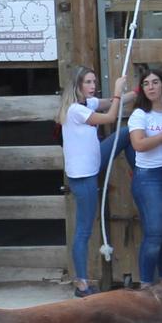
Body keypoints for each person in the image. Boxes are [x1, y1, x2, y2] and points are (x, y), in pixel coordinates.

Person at [62, 67, 125, 297]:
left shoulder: (86, 104)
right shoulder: (76, 110)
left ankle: (139, 169)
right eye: (88, 82)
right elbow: (109, 116)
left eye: (94, 82)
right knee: (84, 230)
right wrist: (118, 92)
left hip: (93, 163)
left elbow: (107, 103)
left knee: (126, 133)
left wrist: (133, 93)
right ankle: (81, 284)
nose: (92, 86)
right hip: (83, 176)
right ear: (78, 86)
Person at [126, 67, 162, 289]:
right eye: (146, 83)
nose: (151, 87)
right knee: (154, 232)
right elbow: (139, 144)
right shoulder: (140, 114)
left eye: (155, 82)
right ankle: (146, 285)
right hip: (149, 176)